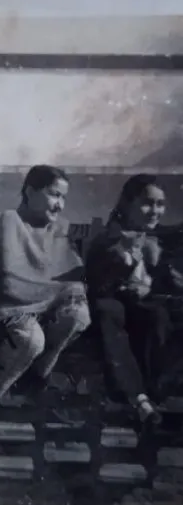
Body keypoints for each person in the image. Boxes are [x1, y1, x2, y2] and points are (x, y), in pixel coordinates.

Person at [0, 165, 91, 414]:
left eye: (63, 198)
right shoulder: (10, 220)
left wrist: (62, 294)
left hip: (48, 309)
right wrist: (50, 291)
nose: (60, 205)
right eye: (54, 194)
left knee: (79, 315)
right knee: (31, 339)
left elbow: (72, 277)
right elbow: (8, 279)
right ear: (30, 191)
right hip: (13, 308)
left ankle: (38, 374)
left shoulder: (60, 228)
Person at [85, 173, 169, 427]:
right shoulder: (109, 238)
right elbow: (98, 284)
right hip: (113, 305)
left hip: (144, 308)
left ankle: (152, 394)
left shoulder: (161, 240)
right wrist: (126, 260)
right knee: (109, 312)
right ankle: (137, 397)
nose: (154, 211)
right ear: (127, 203)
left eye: (160, 204)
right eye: (147, 203)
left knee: (160, 316)